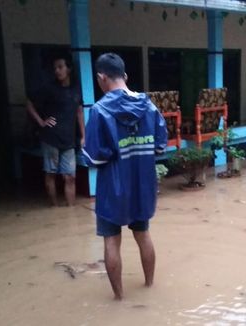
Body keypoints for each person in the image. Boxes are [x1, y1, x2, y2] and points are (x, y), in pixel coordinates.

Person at [82, 53, 167, 300]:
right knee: (143, 236)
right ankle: (149, 285)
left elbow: (94, 157)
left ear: (101, 78)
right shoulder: (149, 107)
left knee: (111, 241)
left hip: (112, 190)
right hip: (142, 187)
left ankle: (119, 298)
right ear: (126, 76)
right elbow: (160, 147)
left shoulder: (99, 110)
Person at [26, 55, 85, 206]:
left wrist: (83, 135)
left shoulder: (76, 89)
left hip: (69, 140)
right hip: (51, 138)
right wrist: (41, 122)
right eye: (55, 68)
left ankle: (70, 209)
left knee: (70, 176)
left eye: (60, 67)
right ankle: (54, 207)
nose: (57, 71)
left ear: (69, 69)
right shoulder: (49, 88)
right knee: (51, 174)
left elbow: (79, 112)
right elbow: (29, 103)